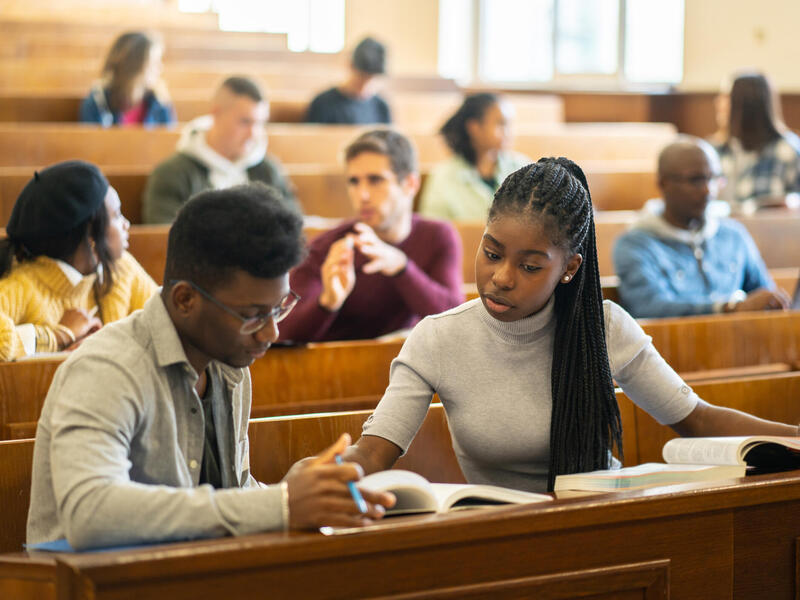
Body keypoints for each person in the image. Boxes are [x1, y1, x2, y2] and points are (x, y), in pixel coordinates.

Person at [340, 157, 799, 494]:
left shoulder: (604, 327)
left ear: (569, 268)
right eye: (492, 253)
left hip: (601, 520)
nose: (500, 278)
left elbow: (697, 418)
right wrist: (321, 479)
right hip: (499, 535)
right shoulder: (438, 338)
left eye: (530, 266)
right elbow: (374, 452)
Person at [27, 183, 394, 551]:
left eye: (279, 307)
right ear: (185, 299)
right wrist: (278, 504)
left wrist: (294, 493)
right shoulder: (107, 368)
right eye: (252, 316)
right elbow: (91, 515)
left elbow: (227, 497)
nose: (271, 331)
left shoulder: (229, 365)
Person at [278, 130, 463, 342]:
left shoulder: (437, 235)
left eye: (375, 180)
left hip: (401, 366)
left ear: (410, 184)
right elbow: (284, 335)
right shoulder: (327, 247)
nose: (362, 195)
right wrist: (327, 302)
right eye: (354, 182)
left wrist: (401, 267)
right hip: (332, 369)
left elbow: (455, 323)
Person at [613, 137, 790, 318]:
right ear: (663, 183)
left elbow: (765, 296)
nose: (708, 190)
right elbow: (649, 307)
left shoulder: (733, 236)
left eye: (713, 178)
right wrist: (729, 308)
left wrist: (772, 302)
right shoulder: (635, 244)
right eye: (696, 180)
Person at [0, 161, 157, 361]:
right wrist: (58, 335)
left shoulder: (122, 267)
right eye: (117, 215)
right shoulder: (22, 286)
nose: (126, 224)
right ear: (91, 235)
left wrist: (108, 345)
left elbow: (166, 326)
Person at [143, 76, 295, 224]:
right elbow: (164, 239)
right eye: (245, 121)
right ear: (216, 113)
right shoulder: (172, 173)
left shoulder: (268, 170)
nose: (253, 134)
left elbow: (293, 228)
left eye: (259, 123)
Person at [418, 93, 529, 221]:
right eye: (501, 124)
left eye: (509, 125)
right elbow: (434, 230)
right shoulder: (443, 176)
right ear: (474, 128)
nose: (509, 133)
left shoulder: (522, 167)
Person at [712, 72, 800, 212]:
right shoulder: (715, 151)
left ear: (746, 103)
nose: (718, 102)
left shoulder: (787, 151)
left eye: (726, 97)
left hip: (772, 232)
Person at [79, 31, 175, 127]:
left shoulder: (160, 102)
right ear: (133, 66)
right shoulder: (98, 101)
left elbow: (170, 138)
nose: (159, 68)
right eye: (154, 62)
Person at [305, 37, 391, 125]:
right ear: (350, 65)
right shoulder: (323, 103)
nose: (365, 86)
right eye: (361, 77)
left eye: (371, 79)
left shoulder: (381, 107)